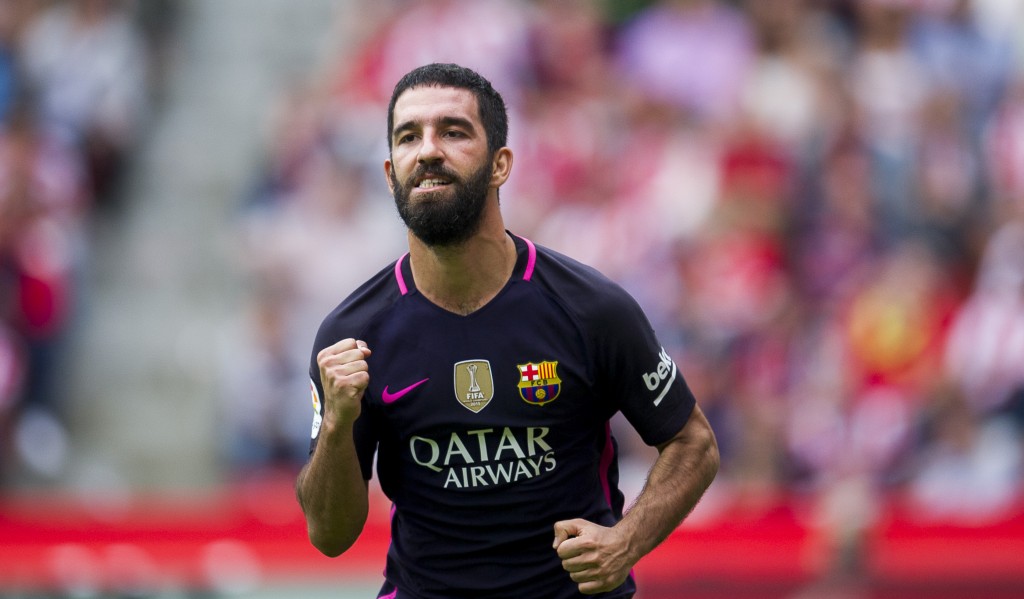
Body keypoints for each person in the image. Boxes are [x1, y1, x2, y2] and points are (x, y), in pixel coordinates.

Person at [295, 62, 719, 599]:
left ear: (500, 165)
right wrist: (337, 425)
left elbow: (694, 443)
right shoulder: (352, 335)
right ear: (389, 173)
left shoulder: (590, 309)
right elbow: (329, 536)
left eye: (453, 131)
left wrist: (626, 542)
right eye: (409, 136)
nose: (428, 150)